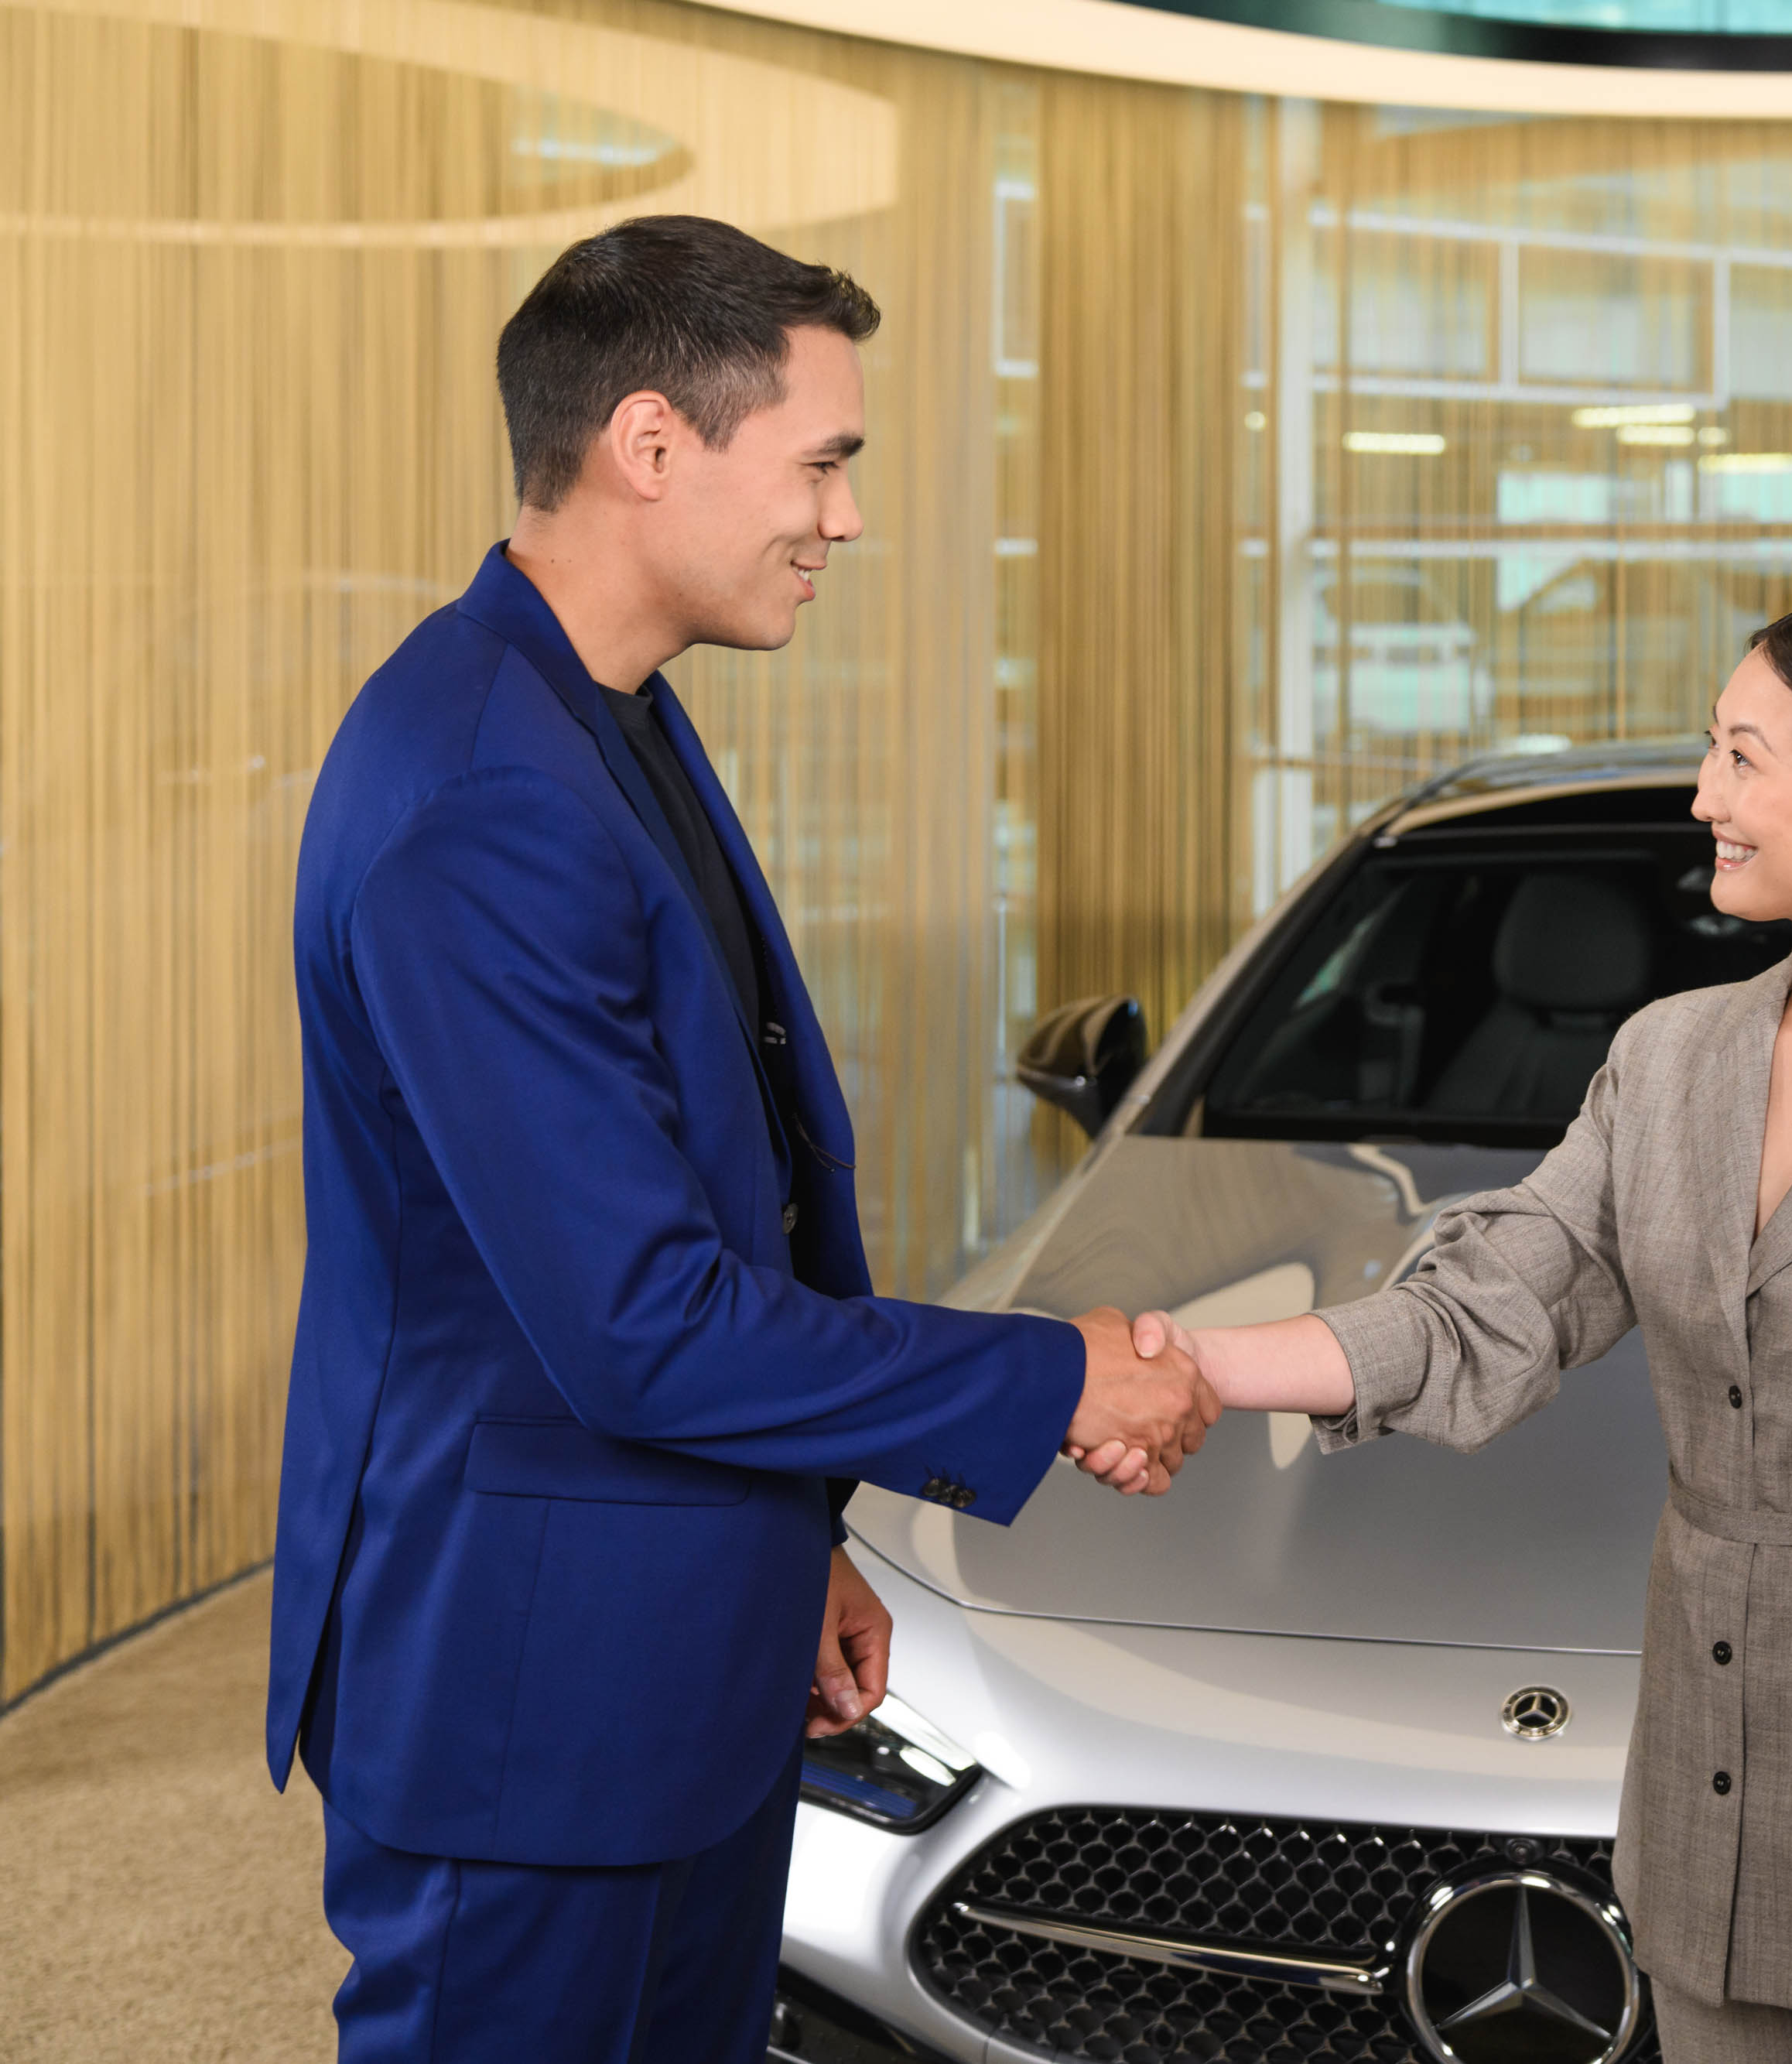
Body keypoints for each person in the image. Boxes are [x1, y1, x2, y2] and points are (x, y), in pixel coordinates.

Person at [268, 215, 1216, 2063]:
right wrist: (1060, 1371)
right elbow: (643, 1317)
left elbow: (733, 1182)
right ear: (648, 444)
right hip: (529, 1695)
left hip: (669, 1636)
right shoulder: (482, 794)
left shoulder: (604, 718)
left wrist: (797, 1549)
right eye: (823, 461)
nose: (843, 519)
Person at [1108, 589, 1792, 2064]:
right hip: (1696, 1833)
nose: (1703, 796)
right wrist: (1189, 1367)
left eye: (1743, 757)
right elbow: (1493, 1303)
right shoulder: (1671, 1059)